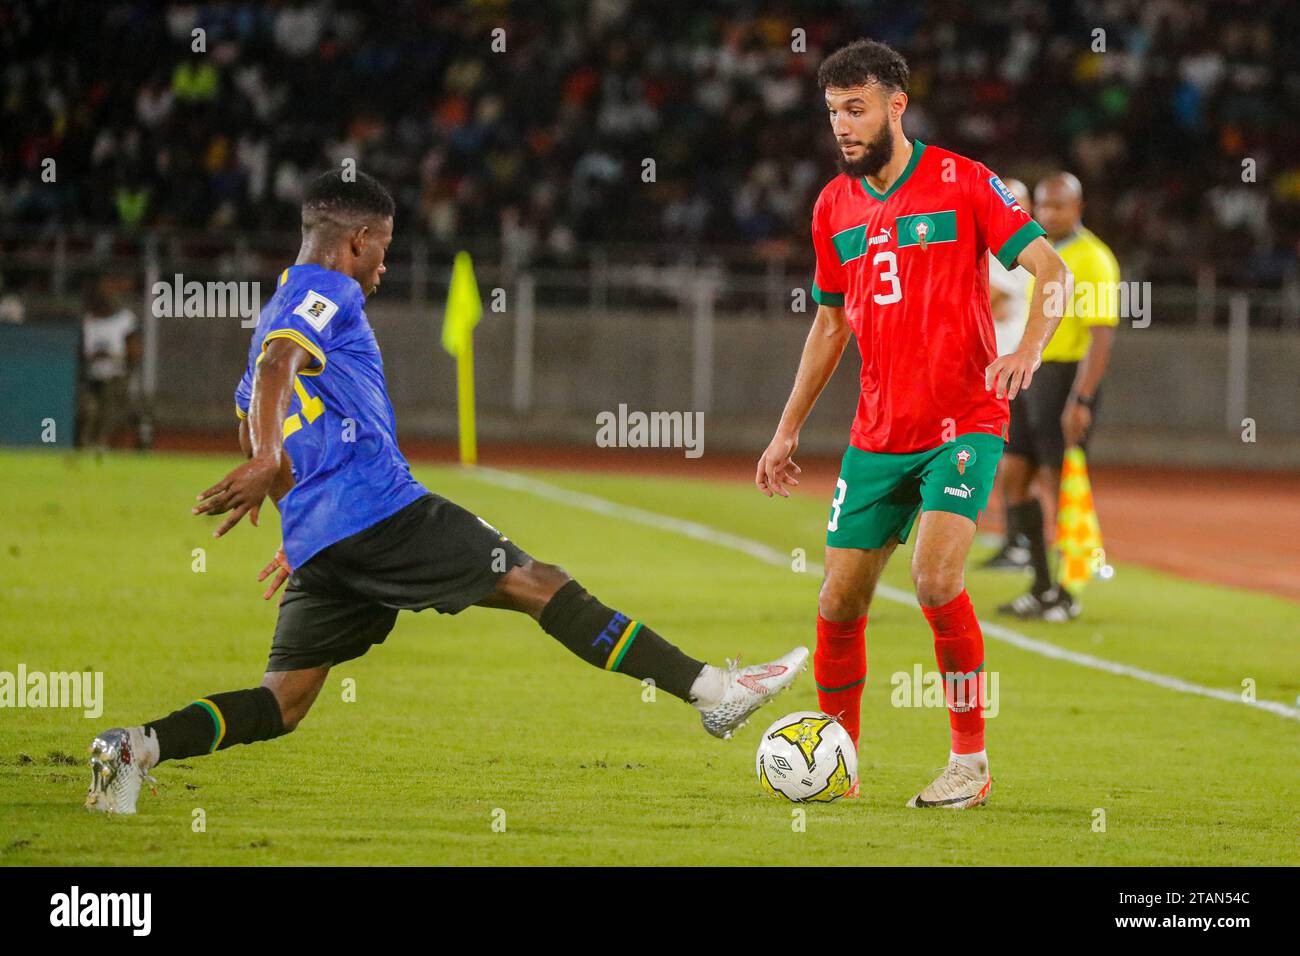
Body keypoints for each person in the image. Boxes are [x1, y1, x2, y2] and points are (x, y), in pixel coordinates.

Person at [85, 169, 807, 814]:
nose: (384, 266)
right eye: (384, 247)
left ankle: (136, 748)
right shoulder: (323, 290)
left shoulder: (275, 308)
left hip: (324, 541)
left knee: (284, 702)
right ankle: (716, 694)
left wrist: (292, 518)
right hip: (382, 511)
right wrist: (275, 462)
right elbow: (277, 377)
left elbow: (262, 411)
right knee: (539, 583)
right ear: (358, 240)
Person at [755, 39, 1069, 809]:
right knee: (837, 602)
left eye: (856, 109)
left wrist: (1028, 346)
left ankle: (970, 762)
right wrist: (787, 428)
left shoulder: (964, 182)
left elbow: (1050, 272)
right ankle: (837, 757)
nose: (843, 126)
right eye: (833, 112)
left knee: (935, 579)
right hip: (876, 435)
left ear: (898, 105)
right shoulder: (833, 206)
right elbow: (830, 326)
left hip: (964, 419)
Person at [996, 172, 1119, 622]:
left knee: (1057, 488)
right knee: (1013, 478)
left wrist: (1081, 399)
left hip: (1066, 380)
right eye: (1042, 206)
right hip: (1033, 376)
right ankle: (1042, 585)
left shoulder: (1094, 259)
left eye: (1057, 206)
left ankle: (1067, 591)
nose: (1047, 214)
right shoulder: (1041, 255)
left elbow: (1100, 338)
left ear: (1078, 208)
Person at [981, 177, 1038, 570]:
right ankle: (1014, 541)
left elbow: (990, 295)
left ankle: (1022, 544)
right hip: (997, 371)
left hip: (1015, 372)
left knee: (1016, 461)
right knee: (1008, 460)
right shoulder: (1003, 252)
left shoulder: (1018, 252)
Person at [78, 281, 140, 450]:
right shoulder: (89, 322)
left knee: (110, 410)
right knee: (89, 409)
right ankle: (87, 443)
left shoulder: (125, 319)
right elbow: (84, 353)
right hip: (93, 375)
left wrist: (123, 366)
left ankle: (102, 444)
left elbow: (134, 351)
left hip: (116, 374)